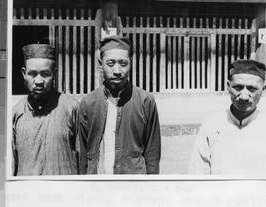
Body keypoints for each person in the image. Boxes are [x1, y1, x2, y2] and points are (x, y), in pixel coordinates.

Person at [79, 35, 161, 174]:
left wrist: (151, 186)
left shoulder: (146, 101)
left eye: (123, 63)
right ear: (100, 64)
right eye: (110, 64)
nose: (117, 71)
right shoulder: (88, 103)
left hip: (133, 185)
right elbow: (82, 153)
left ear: (131, 62)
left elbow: (152, 153)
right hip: (97, 184)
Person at [189, 59, 266, 176]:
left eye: (252, 88)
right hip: (218, 193)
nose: (244, 96)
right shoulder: (212, 124)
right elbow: (198, 173)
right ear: (228, 86)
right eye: (238, 87)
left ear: (263, 90)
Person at [12, 44, 79, 175]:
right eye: (32, 74)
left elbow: (83, 158)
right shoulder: (16, 113)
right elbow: (11, 165)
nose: (39, 81)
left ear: (54, 73)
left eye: (45, 74)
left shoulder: (71, 108)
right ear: (23, 74)